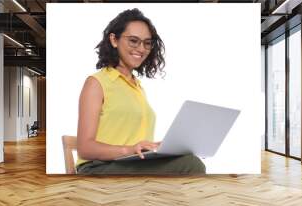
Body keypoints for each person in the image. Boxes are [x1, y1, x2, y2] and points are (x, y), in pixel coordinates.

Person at [76, 8, 205, 175]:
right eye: (133, 41)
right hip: (98, 167)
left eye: (147, 43)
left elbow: (135, 141)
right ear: (114, 40)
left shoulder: (137, 87)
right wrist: (129, 150)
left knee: (187, 158)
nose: (141, 48)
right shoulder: (96, 83)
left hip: (131, 164)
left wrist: (156, 147)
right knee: (191, 165)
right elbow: (85, 148)